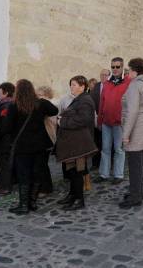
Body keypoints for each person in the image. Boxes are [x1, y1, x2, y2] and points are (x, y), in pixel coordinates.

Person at [7, 79, 58, 215]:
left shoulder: (14, 106)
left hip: (23, 147)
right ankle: (32, 202)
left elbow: (7, 127)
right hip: (40, 146)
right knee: (36, 174)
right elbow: (54, 110)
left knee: (24, 175)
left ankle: (24, 205)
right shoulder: (40, 104)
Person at [56, 75, 97, 211]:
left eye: (74, 85)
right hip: (73, 143)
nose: (71, 87)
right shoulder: (79, 99)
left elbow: (83, 120)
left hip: (79, 144)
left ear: (82, 86)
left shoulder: (85, 100)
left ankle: (79, 200)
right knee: (72, 171)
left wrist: (63, 122)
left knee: (77, 172)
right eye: (71, 84)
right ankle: (72, 195)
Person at [119, 59, 143, 208]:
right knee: (139, 163)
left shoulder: (135, 86)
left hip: (137, 128)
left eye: (129, 70)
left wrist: (126, 134)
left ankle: (135, 197)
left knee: (134, 164)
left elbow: (132, 111)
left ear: (134, 70)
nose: (128, 73)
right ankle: (137, 191)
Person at [97, 57, 130, 183]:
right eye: (113, 67)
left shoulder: (128, 83)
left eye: (117, 67)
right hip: (106, 122)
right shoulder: (107, 84)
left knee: (119, 149)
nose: (115, 69)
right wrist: (99, 120)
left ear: (122, 68)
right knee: (105, 149)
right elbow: (102, 103)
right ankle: (104, 174)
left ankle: (118, 174)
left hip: (119, 123)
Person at [0, 82, 16, 194]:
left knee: (3, 162)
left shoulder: (6, 105)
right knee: (2, 161)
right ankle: (3, 184)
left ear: (6, 92)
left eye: (0, 92)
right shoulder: (11, 103)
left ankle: (6, 186)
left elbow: (3, 125)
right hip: (8, 139)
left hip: (5, 140)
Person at [35, 85, 57, 196]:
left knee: (42, 164)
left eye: (40, 95)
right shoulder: (46, 105)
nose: (38, 97)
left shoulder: (47, 105)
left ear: (46, 95)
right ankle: (44, 186)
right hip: (45, 138)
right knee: (41, 164)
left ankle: (46, 188)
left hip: (47, 137)